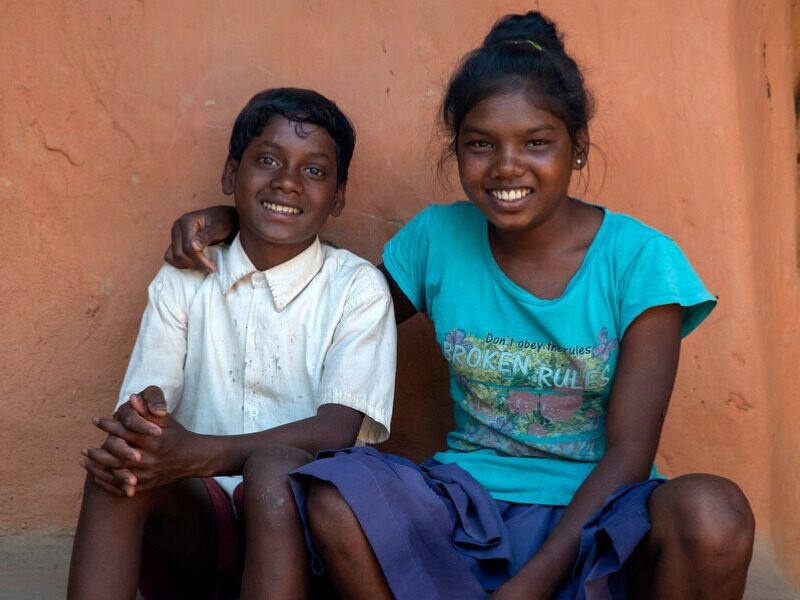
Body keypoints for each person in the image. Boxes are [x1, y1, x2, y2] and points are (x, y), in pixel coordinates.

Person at [164, 12, 755, 600]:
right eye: (480, 144)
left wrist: (528, 588)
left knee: (714, 511)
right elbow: (329, 308)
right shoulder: (437, 240)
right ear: (457, 151)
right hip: (468, 509)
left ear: (578, 149)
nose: (506, 166)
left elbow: (630, 455)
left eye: (538, 143)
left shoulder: (641, 261)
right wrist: (241, 223)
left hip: (599, 514)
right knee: (333, 493)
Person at [67, 87, 396, 600]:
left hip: (307, 534)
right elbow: (148, 402)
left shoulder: (356, 288)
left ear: (338, 197)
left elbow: (337, 429)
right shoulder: (184, 281)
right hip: (205, 522)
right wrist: (144, 425)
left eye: (314, 170)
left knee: (273, 471)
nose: (287, 181)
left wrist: (196, 452)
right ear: (229, 175)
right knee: (123, 467)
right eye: (267, 159)